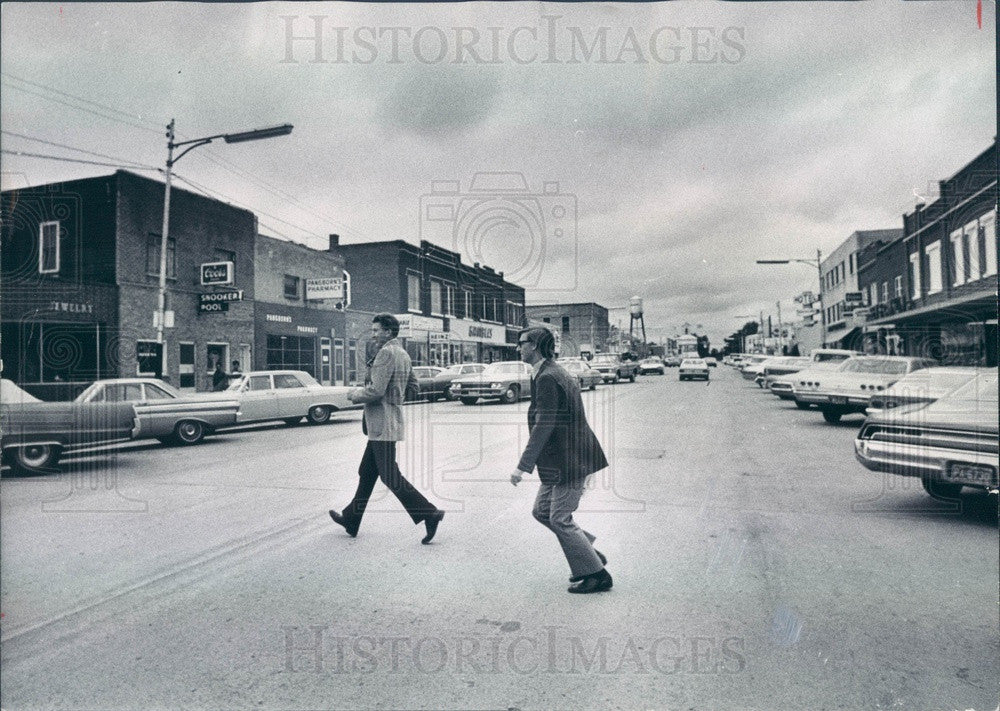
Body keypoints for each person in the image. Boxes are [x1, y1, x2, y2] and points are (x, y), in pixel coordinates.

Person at [510, 327, 613, 594]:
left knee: (559, 517)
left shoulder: (547, 377)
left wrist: (523, 466)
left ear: (534, 346)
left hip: (571, 458)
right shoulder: (547, 372)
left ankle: (596, 575)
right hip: (561, 459)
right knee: (542, 512)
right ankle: (587, 551)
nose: (517, 348)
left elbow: (544, 424)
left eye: (521, 343)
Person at [329, 314, 444, 543]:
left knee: (389, 475)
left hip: (381, 423)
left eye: (376, 330)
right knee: (367, 472)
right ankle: (351, 518)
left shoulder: (386, 353)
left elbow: (375, 391)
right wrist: (395, 396)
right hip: (389, 420)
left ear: (389, 332)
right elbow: (414, 387)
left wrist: (354, 395)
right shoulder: (402, 353)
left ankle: (428, 513)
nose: (373, 335)